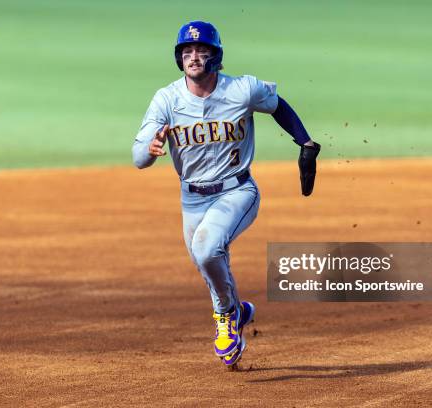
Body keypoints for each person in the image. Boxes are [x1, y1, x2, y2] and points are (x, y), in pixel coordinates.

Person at [132, 20, 320, 369]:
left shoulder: (242, 89)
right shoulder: (167, 100)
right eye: (186, 52)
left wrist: (304, 140)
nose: (193, 57)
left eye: (201, 50)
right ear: (179, 58)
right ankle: (237, 311)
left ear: (215, 56)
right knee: (207, 259)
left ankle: (225, 317)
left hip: (238, 191)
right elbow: (138, 157)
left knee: (207, 248)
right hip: (191, 198)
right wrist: (151, 148)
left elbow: (277, 104)